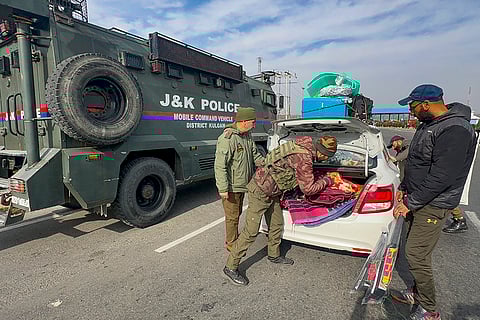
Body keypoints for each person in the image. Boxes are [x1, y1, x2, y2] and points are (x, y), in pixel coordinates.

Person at [392, 84, 477, 320]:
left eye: (412, 106)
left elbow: (443, 175)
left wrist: (410, 203)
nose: (410, 111)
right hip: (415, 197)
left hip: (433, 203)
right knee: (410, 249)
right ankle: (416, 293)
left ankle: (429, 310)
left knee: (416, 254)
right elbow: (416, 163)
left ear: (426, 105)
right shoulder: (428, 125)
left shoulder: (455, 129)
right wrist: (403, 188)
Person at [222, 135, 338, 286]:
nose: (325, 160)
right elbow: (308, 189)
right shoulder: (305, 158)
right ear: (322, 153)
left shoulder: (302, 142)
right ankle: (230, 267)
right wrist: (327, 180)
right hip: (260, 190)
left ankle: (273, 255)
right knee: (251, 231)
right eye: (326, 157)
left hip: (273, 190)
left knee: (276, 224)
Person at [214, 107, 265, 252]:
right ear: (243, 122)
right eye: (253, 122)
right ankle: (231, 244)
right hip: (231, 187)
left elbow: (255, 155)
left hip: (243, 184)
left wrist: (266, 164)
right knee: (232, 217)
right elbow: (219, 166)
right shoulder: (227, 138)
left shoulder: (247, 135)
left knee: (237, 214)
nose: (254, 125)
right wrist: (223, 189)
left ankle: (233, 239)